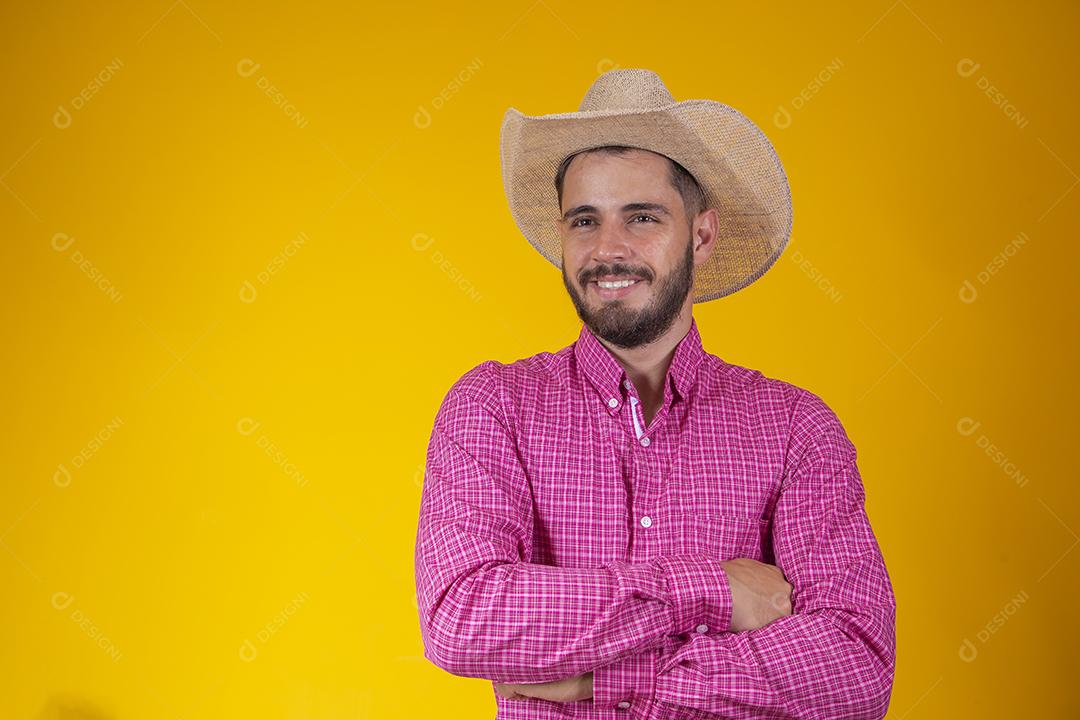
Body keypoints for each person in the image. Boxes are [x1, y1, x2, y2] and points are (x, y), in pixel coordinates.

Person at [414, 68, 897, 719]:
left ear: (701, 234)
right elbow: (463, 618)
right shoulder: (493, 406)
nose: (608, 250)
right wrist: (714, 590)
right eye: (585, 221)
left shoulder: (795, 429)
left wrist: (616, 681)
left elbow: (855, 668)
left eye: (642, 217)